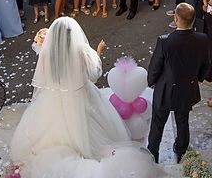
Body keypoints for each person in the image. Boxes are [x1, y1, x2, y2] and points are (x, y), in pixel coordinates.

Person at [10, 17, 156, 177]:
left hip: (53, 98)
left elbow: (45, 77)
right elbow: (93, 75)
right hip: (80, 96)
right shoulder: (81, 51)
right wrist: (98, 52)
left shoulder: (47, 53)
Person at [146, 3, 211, 164]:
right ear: (193, 20)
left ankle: (153, 153)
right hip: (186, 89)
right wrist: (198, 79)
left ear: (176, 19)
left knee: (158, 123)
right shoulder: (202, 39)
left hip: (166, 89)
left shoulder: (165, 42)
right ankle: (181, 151)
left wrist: (152, 82)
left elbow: (155, 66)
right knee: (183, 121)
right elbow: (206, 64)